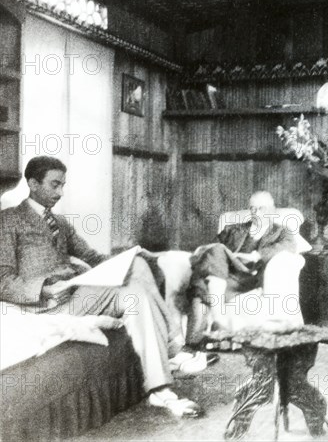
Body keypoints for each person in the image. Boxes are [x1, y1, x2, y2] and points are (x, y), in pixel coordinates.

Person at [0, 156, 202, 418]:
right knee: (137, 279)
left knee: (136, 284)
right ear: (33, 183)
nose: (60, 193)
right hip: (45, 304)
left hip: (77, 294)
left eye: (63, 185)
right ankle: (174, 346)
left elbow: (93, 258)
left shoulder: (61, 223)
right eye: (54, 185)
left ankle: (158, 390)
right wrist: (43, 289)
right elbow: (3, 278)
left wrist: (128, 257)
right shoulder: (8, 221)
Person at [185, 191, 298, 347]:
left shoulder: (281, 231)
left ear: (272, 209)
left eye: (262, 208)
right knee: (214, 256)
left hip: (251, 278)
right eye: (253, 208)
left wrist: (257, 255)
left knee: (202, 284)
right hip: (226, 276)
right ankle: (203, 339)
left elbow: (288, 246)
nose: (256, 213)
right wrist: (200, 252)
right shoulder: (233, 229)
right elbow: (210, 251)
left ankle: (201, 335)